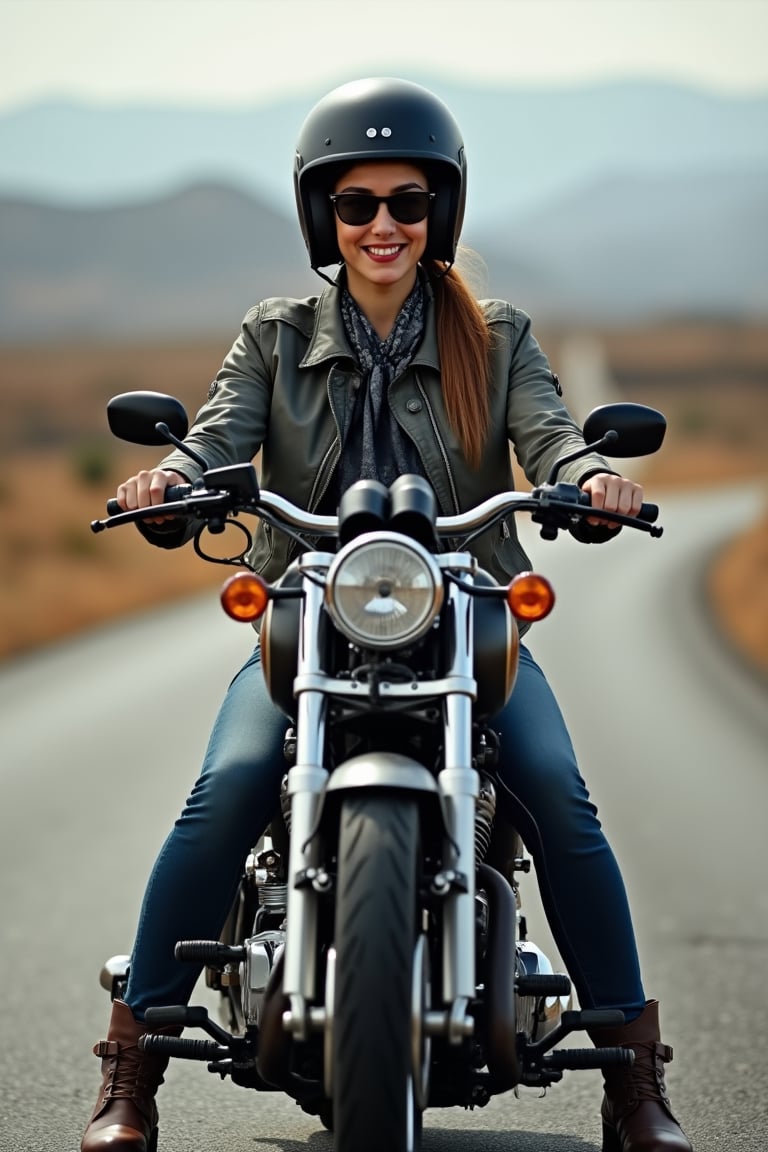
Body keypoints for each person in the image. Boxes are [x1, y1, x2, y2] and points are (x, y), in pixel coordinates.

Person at [81, 78, 692, 1152]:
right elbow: (217, 436)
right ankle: (132, 1069)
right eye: (357, 204)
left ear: (438, 215)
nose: (382, 226)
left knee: (556, 791)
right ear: (326, 216)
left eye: (407, 203)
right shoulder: (273, 335)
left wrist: (592, 479)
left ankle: (633, 1079)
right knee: (225, 789)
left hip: (467, 613)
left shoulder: (495, 337)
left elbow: (551, 433)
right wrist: (170, 483)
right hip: (307, 616)